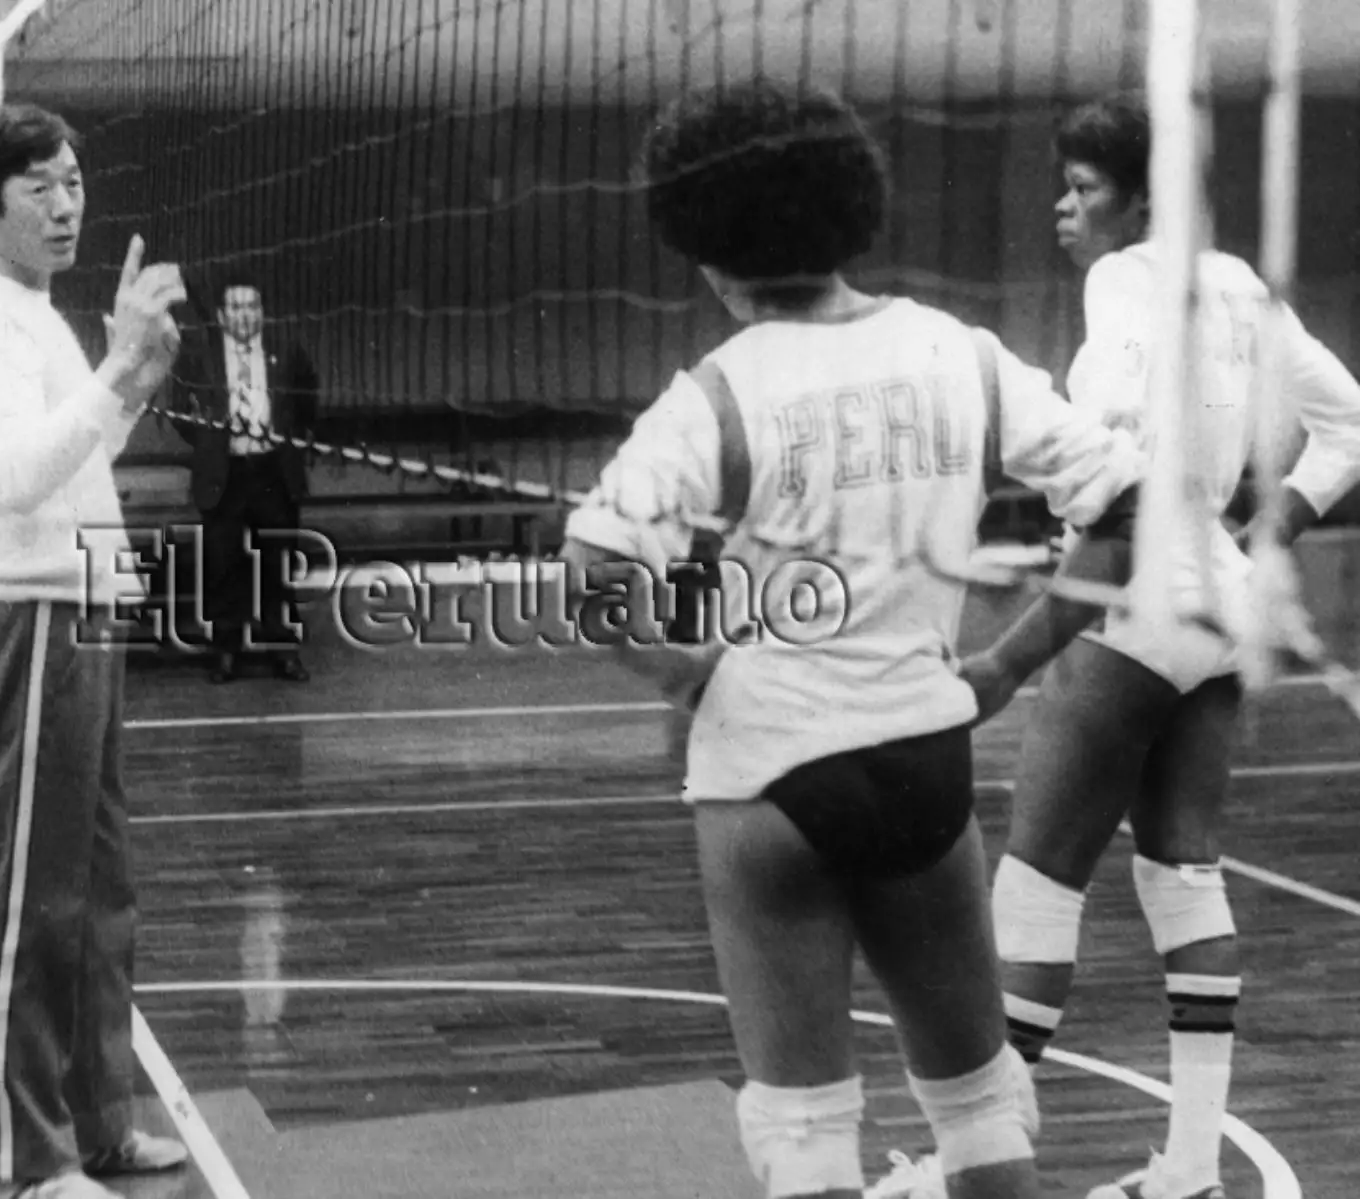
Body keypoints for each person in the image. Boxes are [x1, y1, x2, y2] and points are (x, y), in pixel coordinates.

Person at [557, 79, 1147, 1199]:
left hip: (769, 775)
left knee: (806, 1142)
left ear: (706, 248)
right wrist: (1009, 664)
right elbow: (1133, 507)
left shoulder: (718, 394)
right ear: (850, 207)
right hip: (925, 761)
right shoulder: (959, 353)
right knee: (982, 1117)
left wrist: (690, 673)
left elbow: (590, 579)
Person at [960, 93, 1360, 1199]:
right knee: (1183, 874)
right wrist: (1272, 524)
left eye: (1081, 188)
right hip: (1220, 616)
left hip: (1134, 606)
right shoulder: (1238, 283)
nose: (1063, 208)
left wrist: (1011, 656)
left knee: (1037, 883)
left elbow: (1124, 491)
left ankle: (975, 1157)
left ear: (1139, 201)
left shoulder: (1123, 283)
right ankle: (1188, 1168)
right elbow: (1353, 422)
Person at [0, 103, 191, 1199]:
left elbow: (78, 457)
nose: (67, 203)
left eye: (73, 180)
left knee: (100, 891)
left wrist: (133, 378)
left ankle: (97, 1121)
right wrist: (115, 362)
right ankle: (21, 1161)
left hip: (87, 605)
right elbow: (22, 472)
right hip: (32, 619)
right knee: (34, 901)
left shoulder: (33, 313)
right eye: (40, 187)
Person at [167, 274, 317, 683]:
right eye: (235, 307)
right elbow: (179, 409)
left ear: (262, 313)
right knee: (223, 568)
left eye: (252, 306)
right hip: (225, 474)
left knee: (278, 566)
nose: (244, 314)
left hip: (273, 472)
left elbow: (307, 400)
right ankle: (226, 652)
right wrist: (213, 443)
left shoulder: (287, 351)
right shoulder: (199, 354)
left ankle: (283, 652)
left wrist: (289, 446)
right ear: (221, 315)